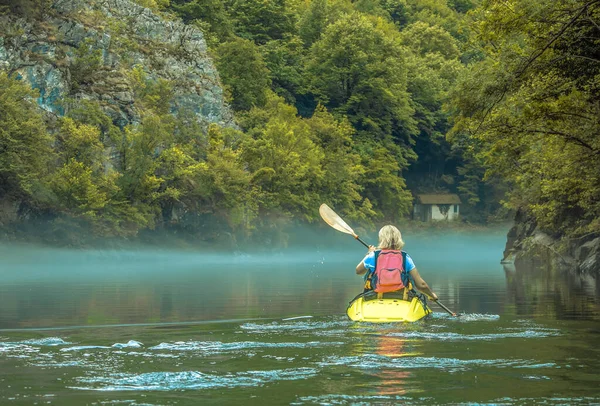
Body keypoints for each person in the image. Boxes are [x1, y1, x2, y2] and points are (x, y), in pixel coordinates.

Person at [355, 225, 438, 300]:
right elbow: (421, 285)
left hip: (377, 296)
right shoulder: (405, 257)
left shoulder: (373, 256)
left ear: (381, 239)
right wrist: (431, 295)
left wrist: (369, 253)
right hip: (402, 297)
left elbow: (358, 271)